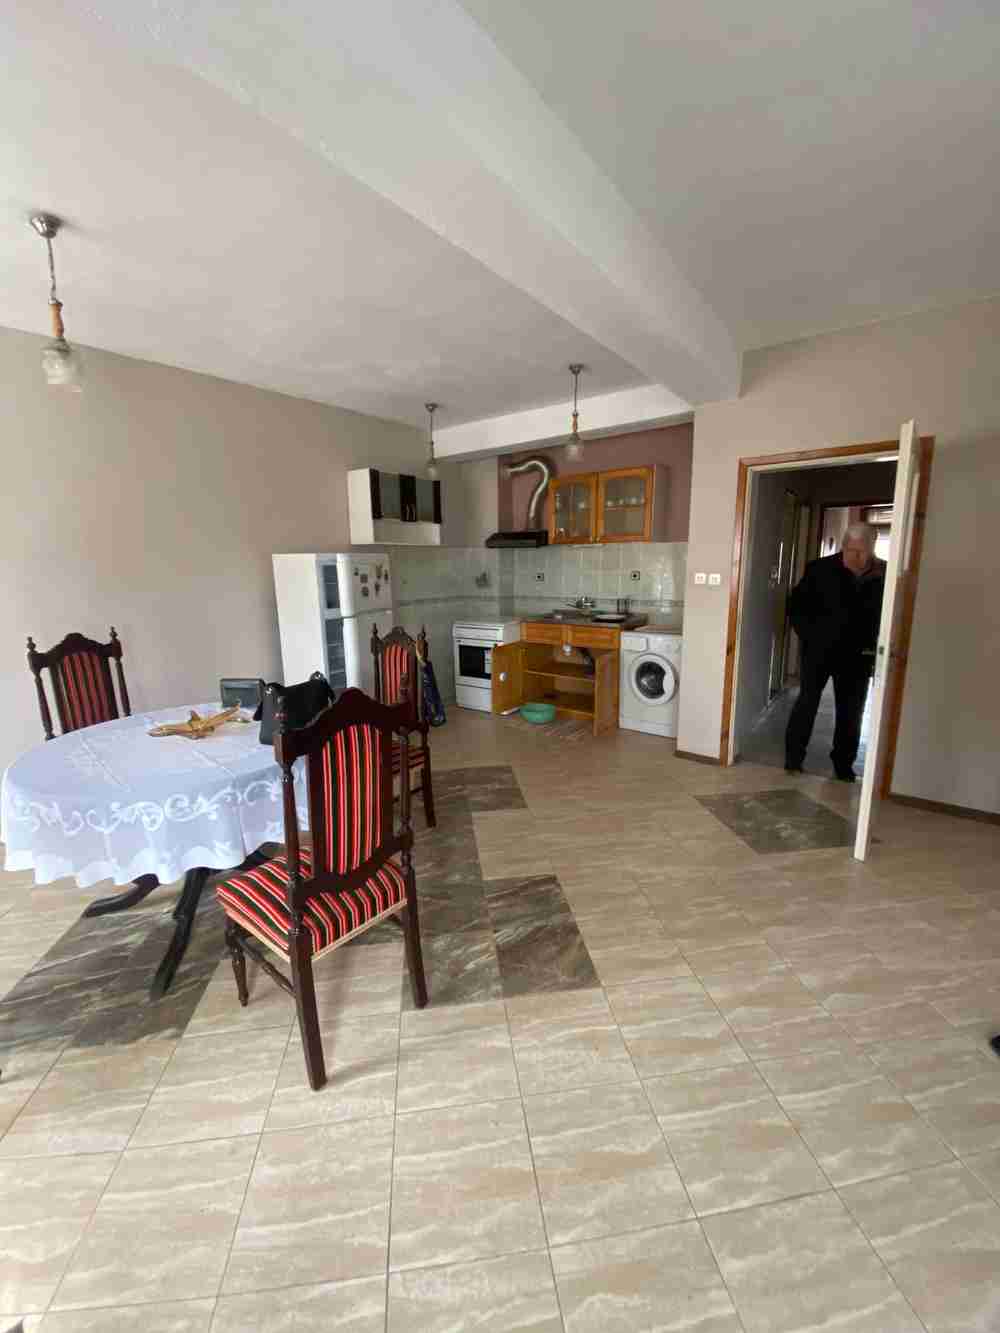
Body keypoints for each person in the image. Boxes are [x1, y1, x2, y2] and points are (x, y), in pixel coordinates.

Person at [785, 521, 885, 781]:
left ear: (872, 547)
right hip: (819, 652)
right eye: (851, 550)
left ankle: (843, 765)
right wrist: (810, 637)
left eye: (862, 551)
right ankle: (793, 759)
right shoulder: (819, 569)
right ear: (843, 546)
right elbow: (796, 608)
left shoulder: (883, 573)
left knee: (851, 711)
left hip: (858, 656)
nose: (856, 556)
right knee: (807, 703)